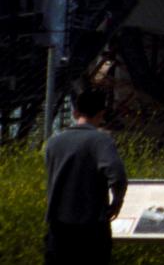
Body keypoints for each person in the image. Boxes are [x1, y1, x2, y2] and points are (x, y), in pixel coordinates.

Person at [44, 87, 126, 265]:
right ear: (102, 114)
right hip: (91, 226)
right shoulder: (101, 141)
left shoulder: (53, 142)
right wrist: (116, 202)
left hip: (58, 227)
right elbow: (117, 175)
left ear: (75, 112)